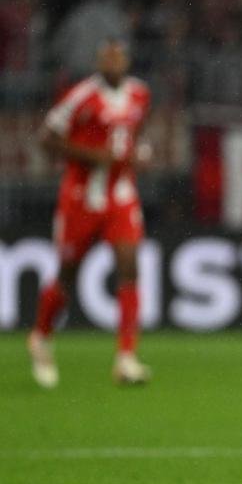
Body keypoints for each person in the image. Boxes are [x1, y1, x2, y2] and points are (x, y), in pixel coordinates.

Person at [28, 39, 152, 388]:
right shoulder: (81, 96)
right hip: (82, 197)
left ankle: (126, 358)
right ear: (99, 62)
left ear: (126, 61)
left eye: (118, 57)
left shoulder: (141, 94)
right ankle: (41, 336)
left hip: (121, 194)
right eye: (106, 58)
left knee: (129, 265)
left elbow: (135, 133)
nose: (113, 63)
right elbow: (46, 138)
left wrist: (141, 151)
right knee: (67, 275)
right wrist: (89, 154)